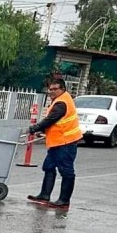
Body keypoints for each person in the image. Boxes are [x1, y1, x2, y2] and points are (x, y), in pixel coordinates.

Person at [26, 77, 83, 211]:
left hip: (66, 142)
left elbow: (51, 119)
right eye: (50, 89)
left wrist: (35, 128)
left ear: (62, 89)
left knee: (66, 171)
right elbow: (56, 123)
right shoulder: (59, 100)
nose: (51, 91)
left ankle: (64, 201)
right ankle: (44, 195)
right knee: (49, 167)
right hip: (58, 141)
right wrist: (44, 131)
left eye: (54, 89)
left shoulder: (61, 103)